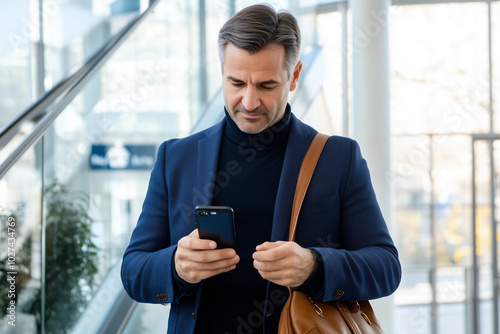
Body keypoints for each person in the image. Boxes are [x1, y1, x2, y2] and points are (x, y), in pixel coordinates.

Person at [121, 4, 401, 334]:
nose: (249, 101)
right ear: (222, 71)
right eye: (236, 82)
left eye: (266, 85)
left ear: (294, 76)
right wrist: (175, 265)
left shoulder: (338, 157)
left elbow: (386, 268)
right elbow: (133, 270)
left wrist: (315, 266)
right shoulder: (177, 157)